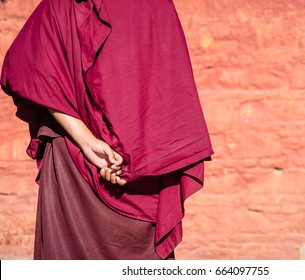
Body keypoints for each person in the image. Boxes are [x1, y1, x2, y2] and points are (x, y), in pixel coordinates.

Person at [0, 0, 213, 260]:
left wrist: (88, 142)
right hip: (127, 171)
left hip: (77, 155)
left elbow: (28, 66)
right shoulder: (158, 5)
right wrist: (131, 157)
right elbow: (169, 102)